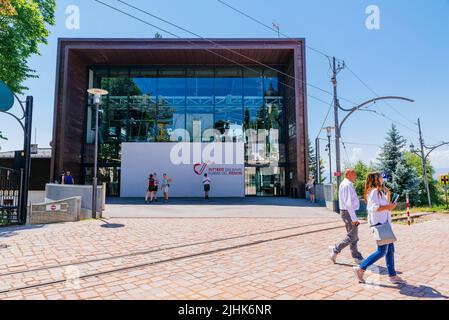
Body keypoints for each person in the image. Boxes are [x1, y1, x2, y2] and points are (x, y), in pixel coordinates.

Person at [353, 172, 406, 285]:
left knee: (390, 250)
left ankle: (392, 276)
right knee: (382, 251)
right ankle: (361, 268)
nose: (382, 179)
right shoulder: (373, 192)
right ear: (376, 179)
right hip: (379, 225)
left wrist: (388, 195)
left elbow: (386, 207)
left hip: (385, 225)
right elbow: (375, 208)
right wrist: (389, 206)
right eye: (381, 177)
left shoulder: (379, 192)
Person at [329, 168, 364, 264]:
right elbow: (348, 203)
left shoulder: (347, 184)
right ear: (348, 174)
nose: (355, 177)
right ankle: (335, 249)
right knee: (352, 236)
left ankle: (356, 256)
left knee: (354, 236)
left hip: (348, 212)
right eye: (354, 175)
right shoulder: (346, 185)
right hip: (348, 212)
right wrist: (354, 218)